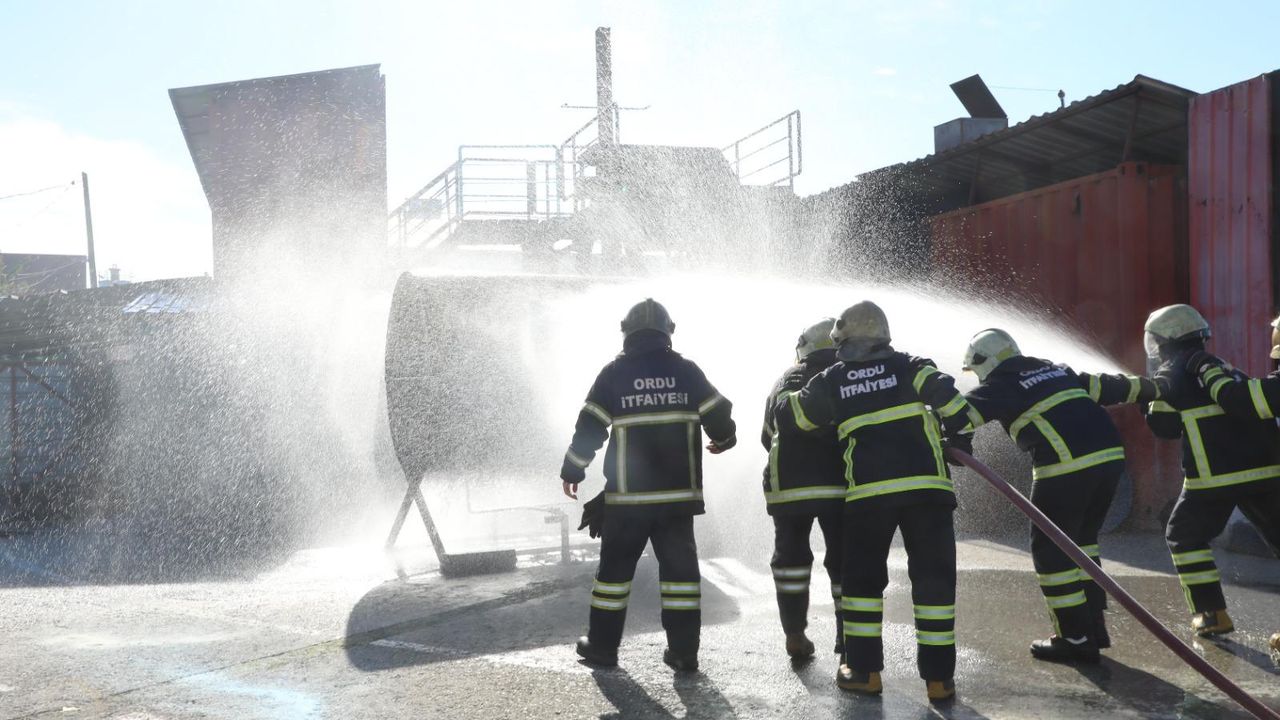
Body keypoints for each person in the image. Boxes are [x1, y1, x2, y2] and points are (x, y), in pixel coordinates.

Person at [774, 300, 975, 703]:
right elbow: (959, 410)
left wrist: (784, 392)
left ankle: (863, 672)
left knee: (863, 584)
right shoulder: (913, 365)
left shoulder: (834, 378)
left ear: (842, 341)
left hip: (870, 496)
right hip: (928, 493)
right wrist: (956, 437)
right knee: (934, 583)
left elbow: (794, 418)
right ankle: (939, 681)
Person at [955, 329, 1158, 663]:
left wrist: (931, 428)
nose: (976, 376)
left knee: (1051, 553)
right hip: (1109, 461)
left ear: (985, 361)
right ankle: (1093, 629)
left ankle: (1075, 639)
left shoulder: (1000, 385)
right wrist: (1154, 388)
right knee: (1082, 544)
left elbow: (958, 415)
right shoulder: (1056, 370)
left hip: (1065, 467)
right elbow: (1113, 386)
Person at [560, 298, 736, 672]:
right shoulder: (687, 372)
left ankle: (603, 648)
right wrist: (724, 438)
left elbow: (590, 427)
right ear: (667, 333)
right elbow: (719, 413)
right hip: (677, 500)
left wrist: (573, 470)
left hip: (628, 500)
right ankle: (684, 652)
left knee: (614, 575)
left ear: (628, 334)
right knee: (681, 578)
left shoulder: (614, 374)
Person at [1143, 304, 1280, 636]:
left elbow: (1164, 427)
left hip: (1213, 476)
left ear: (1162, 341)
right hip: (1267, 471)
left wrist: (1148, 397)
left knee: (1184, 535)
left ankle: (1211, 614)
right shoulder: (1222, 367)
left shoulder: (1175, 372)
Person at [760, 318, 846, 661]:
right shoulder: (847, 373)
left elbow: (767, 435)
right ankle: (847, 638)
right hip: (839, 486)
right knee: (844, 560)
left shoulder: (785, 378)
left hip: (788, 489)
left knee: (791, 561)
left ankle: (795, 635)